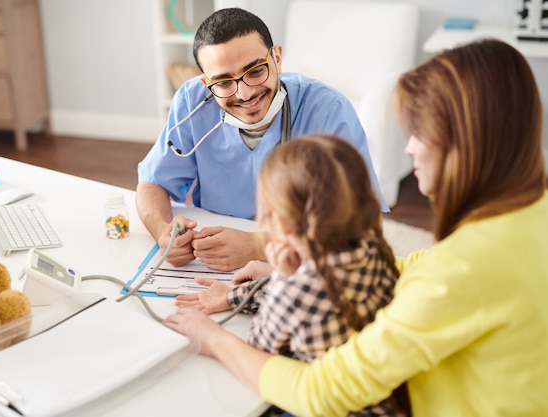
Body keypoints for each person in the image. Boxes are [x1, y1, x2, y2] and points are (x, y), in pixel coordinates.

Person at [163, 38, 548, 417]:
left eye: (419, 134)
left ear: (467, 142)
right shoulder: (529, 214)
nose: (409, 148)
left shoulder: (465, 271)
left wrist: (213, 339)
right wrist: (307, 273)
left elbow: (322, 392)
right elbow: (423, 268)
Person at [136, 8, 388, 272]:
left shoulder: (328, 111)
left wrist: (259, 246)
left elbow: (366, 225)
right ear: (206, 82)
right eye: (223, 82)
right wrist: (163, 233)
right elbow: (152, 183)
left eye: (255, 71)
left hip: (301, 263)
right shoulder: (192, 102)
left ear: (277, 58)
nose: (244, 93)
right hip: (212, 262)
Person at [174, 134, 407, 416]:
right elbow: (309, 293)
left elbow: (260, 354)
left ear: (281, 224)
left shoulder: (296, 289)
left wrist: (208, 334)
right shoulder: (369, 243)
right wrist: (236, 295)